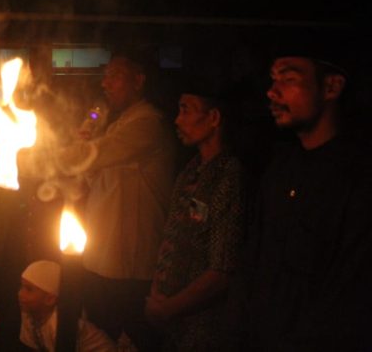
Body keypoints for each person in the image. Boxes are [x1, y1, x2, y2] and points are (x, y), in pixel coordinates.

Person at [244, 48, 372, 349]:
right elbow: (255, 259)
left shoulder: (357, 177)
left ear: (331, 87)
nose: (272, 92)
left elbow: (347, 294)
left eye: (288, 79)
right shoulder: (281, 167)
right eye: (273, 79)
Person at [57, 51, 175, 350]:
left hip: (131, 262)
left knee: (132, 338)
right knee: (101, 336)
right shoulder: (115, 123)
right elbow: (90, 175)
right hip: (102, 255)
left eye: (114, 76)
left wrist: (39, 154)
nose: (106, 84)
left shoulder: (148, 123)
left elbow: (99, 154)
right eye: (105, 76)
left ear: (138, 80)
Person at [145, 78, 244, 350]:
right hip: (171, 323)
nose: (177, 120)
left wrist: (170, 307)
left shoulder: (229, 175)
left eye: (186, 110)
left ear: (213, 118)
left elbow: (222, 269)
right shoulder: (190, 170)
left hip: (203, 328)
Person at [18, 260, 116, 352]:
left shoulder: (61, 324)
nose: (20, 294)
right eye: (21, 287)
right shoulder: (28, 315)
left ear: (50, 299)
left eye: (29, 289)